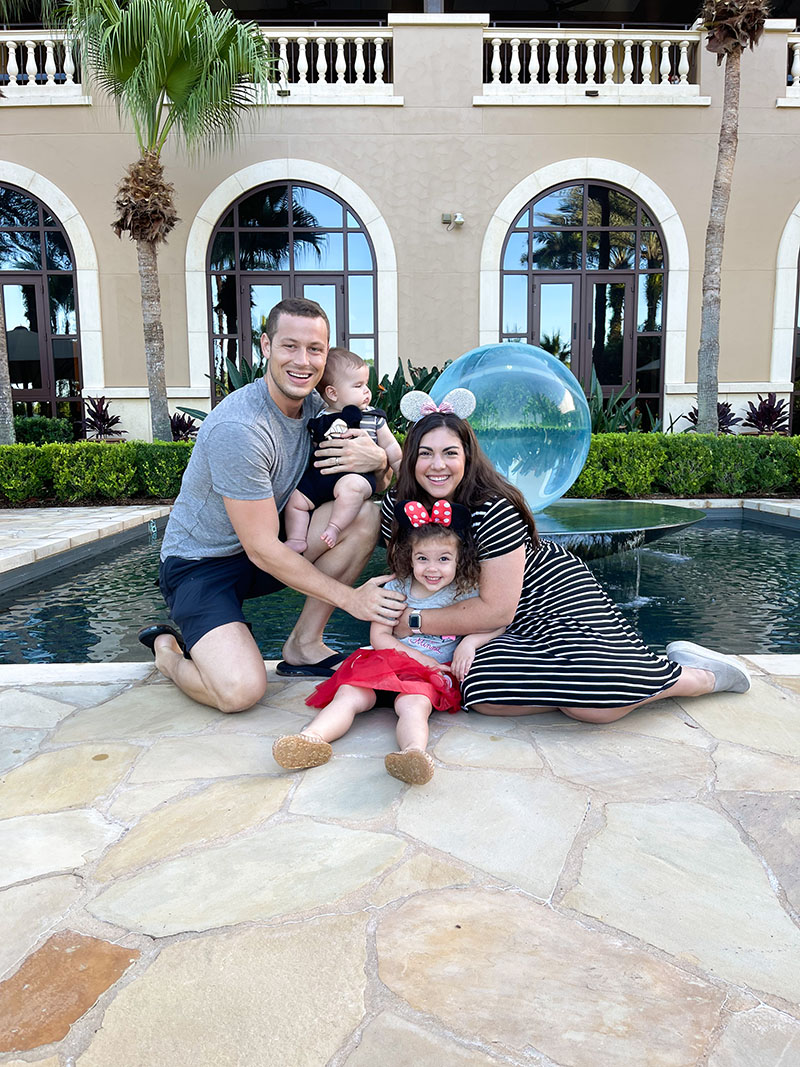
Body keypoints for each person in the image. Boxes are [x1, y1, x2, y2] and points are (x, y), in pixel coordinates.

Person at [379, 392, 751, 724]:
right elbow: (400, 571)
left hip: (550, 596)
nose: (437, 465)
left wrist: (412, 620)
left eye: (449, 453)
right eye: (425, 453)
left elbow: (497, 610)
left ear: (468, 457)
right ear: (411, 457)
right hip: (492, 624)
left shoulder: (492, 507)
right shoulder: (397, 506)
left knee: (596, 708)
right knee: (482, 691)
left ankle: (699, 676)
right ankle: (579, 690)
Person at [137, 297, 405, 714]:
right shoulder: (240, 428)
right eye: (289, 346)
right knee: (239, 692)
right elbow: (263, 548)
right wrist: (352, 600)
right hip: (202, 563)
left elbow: (379, 485)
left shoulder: (321, 409)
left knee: (363, 514)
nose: (303, 361)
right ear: (265, 346)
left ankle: (303, 644)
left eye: (315, 349)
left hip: (268, 546)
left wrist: (380, 460)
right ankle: (167, 652)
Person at [271, 500, 504, 784]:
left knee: (415, 704)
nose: (432, 569)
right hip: (386, 663)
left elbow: (497, 621)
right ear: (410, 557)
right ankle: (310, 739)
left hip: (427, 674)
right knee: (351, 695)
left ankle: (412, 753)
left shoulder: (466, 592)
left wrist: (471, 643)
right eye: (422, 558)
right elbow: (379, 637)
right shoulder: (396, 588)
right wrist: (422, 660)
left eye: (444, 559)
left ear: (459, 559)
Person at [284, 347, 402, 552]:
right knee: (295, 500)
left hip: (356, 476)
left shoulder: (373, 417)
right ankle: (297, 538)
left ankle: (334, 528)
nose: (367, 390)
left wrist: (402, 473)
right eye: (358, 385)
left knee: (350, 489)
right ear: (332, 392)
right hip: (322, 477)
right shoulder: (319, 417)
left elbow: (391, 445)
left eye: (366, 384)